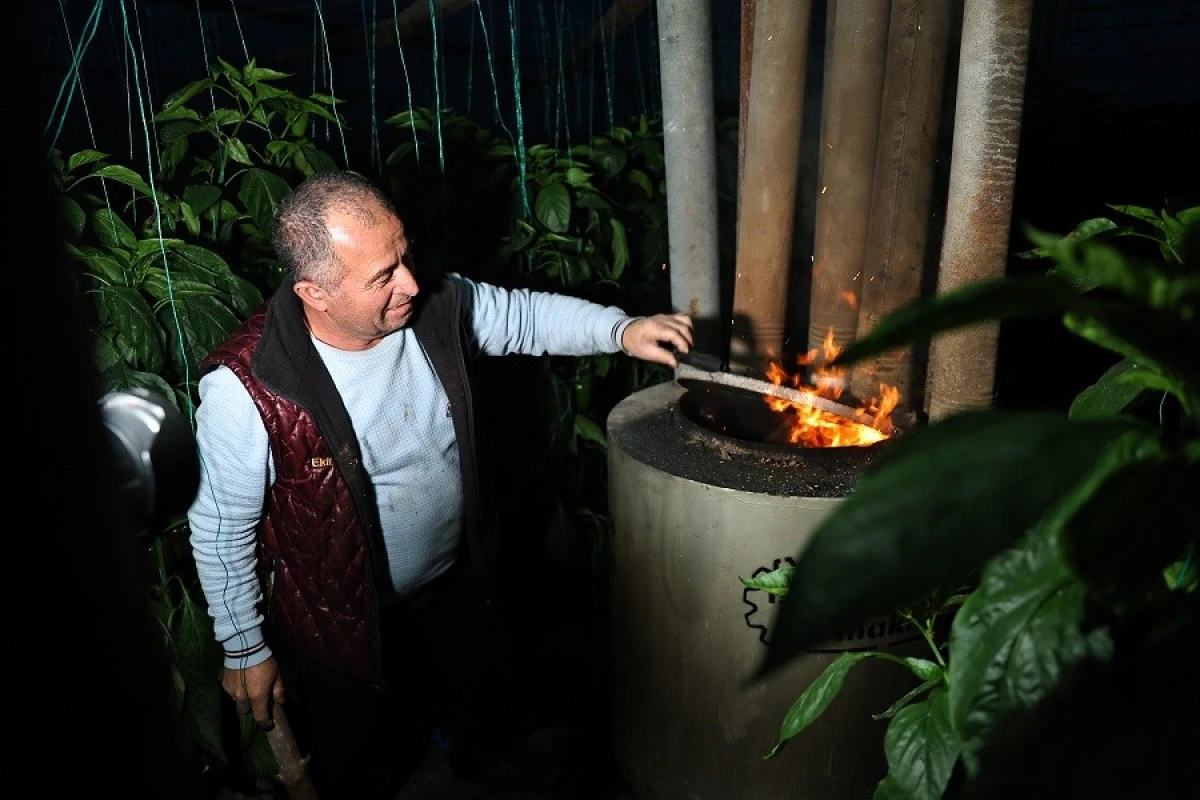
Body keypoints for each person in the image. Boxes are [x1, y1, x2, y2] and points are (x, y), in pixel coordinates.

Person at [186, 169, 693, 798]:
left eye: (405, 256)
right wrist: (244, 648)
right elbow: (220, 527)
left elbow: (524, 318)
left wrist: (622, 330)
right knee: (362, 762)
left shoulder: (434, 309)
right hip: (337, 623)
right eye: (383, 276)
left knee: (479, 712)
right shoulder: (248, 389)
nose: (412, 283)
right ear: (314, 291)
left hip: (455, 581)